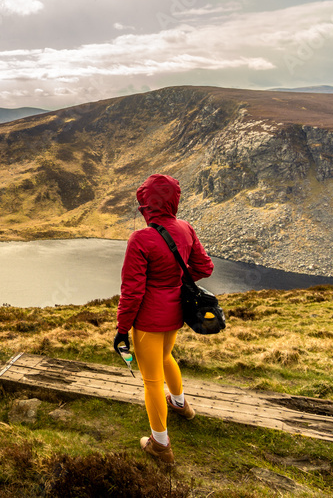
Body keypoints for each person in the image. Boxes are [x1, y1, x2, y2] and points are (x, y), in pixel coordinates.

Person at [113, 173, 213, 464]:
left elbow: (132, 292)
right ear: (173, 201)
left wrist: (121, 330)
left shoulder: (141, 238)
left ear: (147, 204)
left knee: (151, 380)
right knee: (167, 356)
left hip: (148, 319)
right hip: (176, 313)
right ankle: (182, 405)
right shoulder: (185, 228)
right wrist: (177, 283)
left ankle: (160, 445)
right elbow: (205, 267)